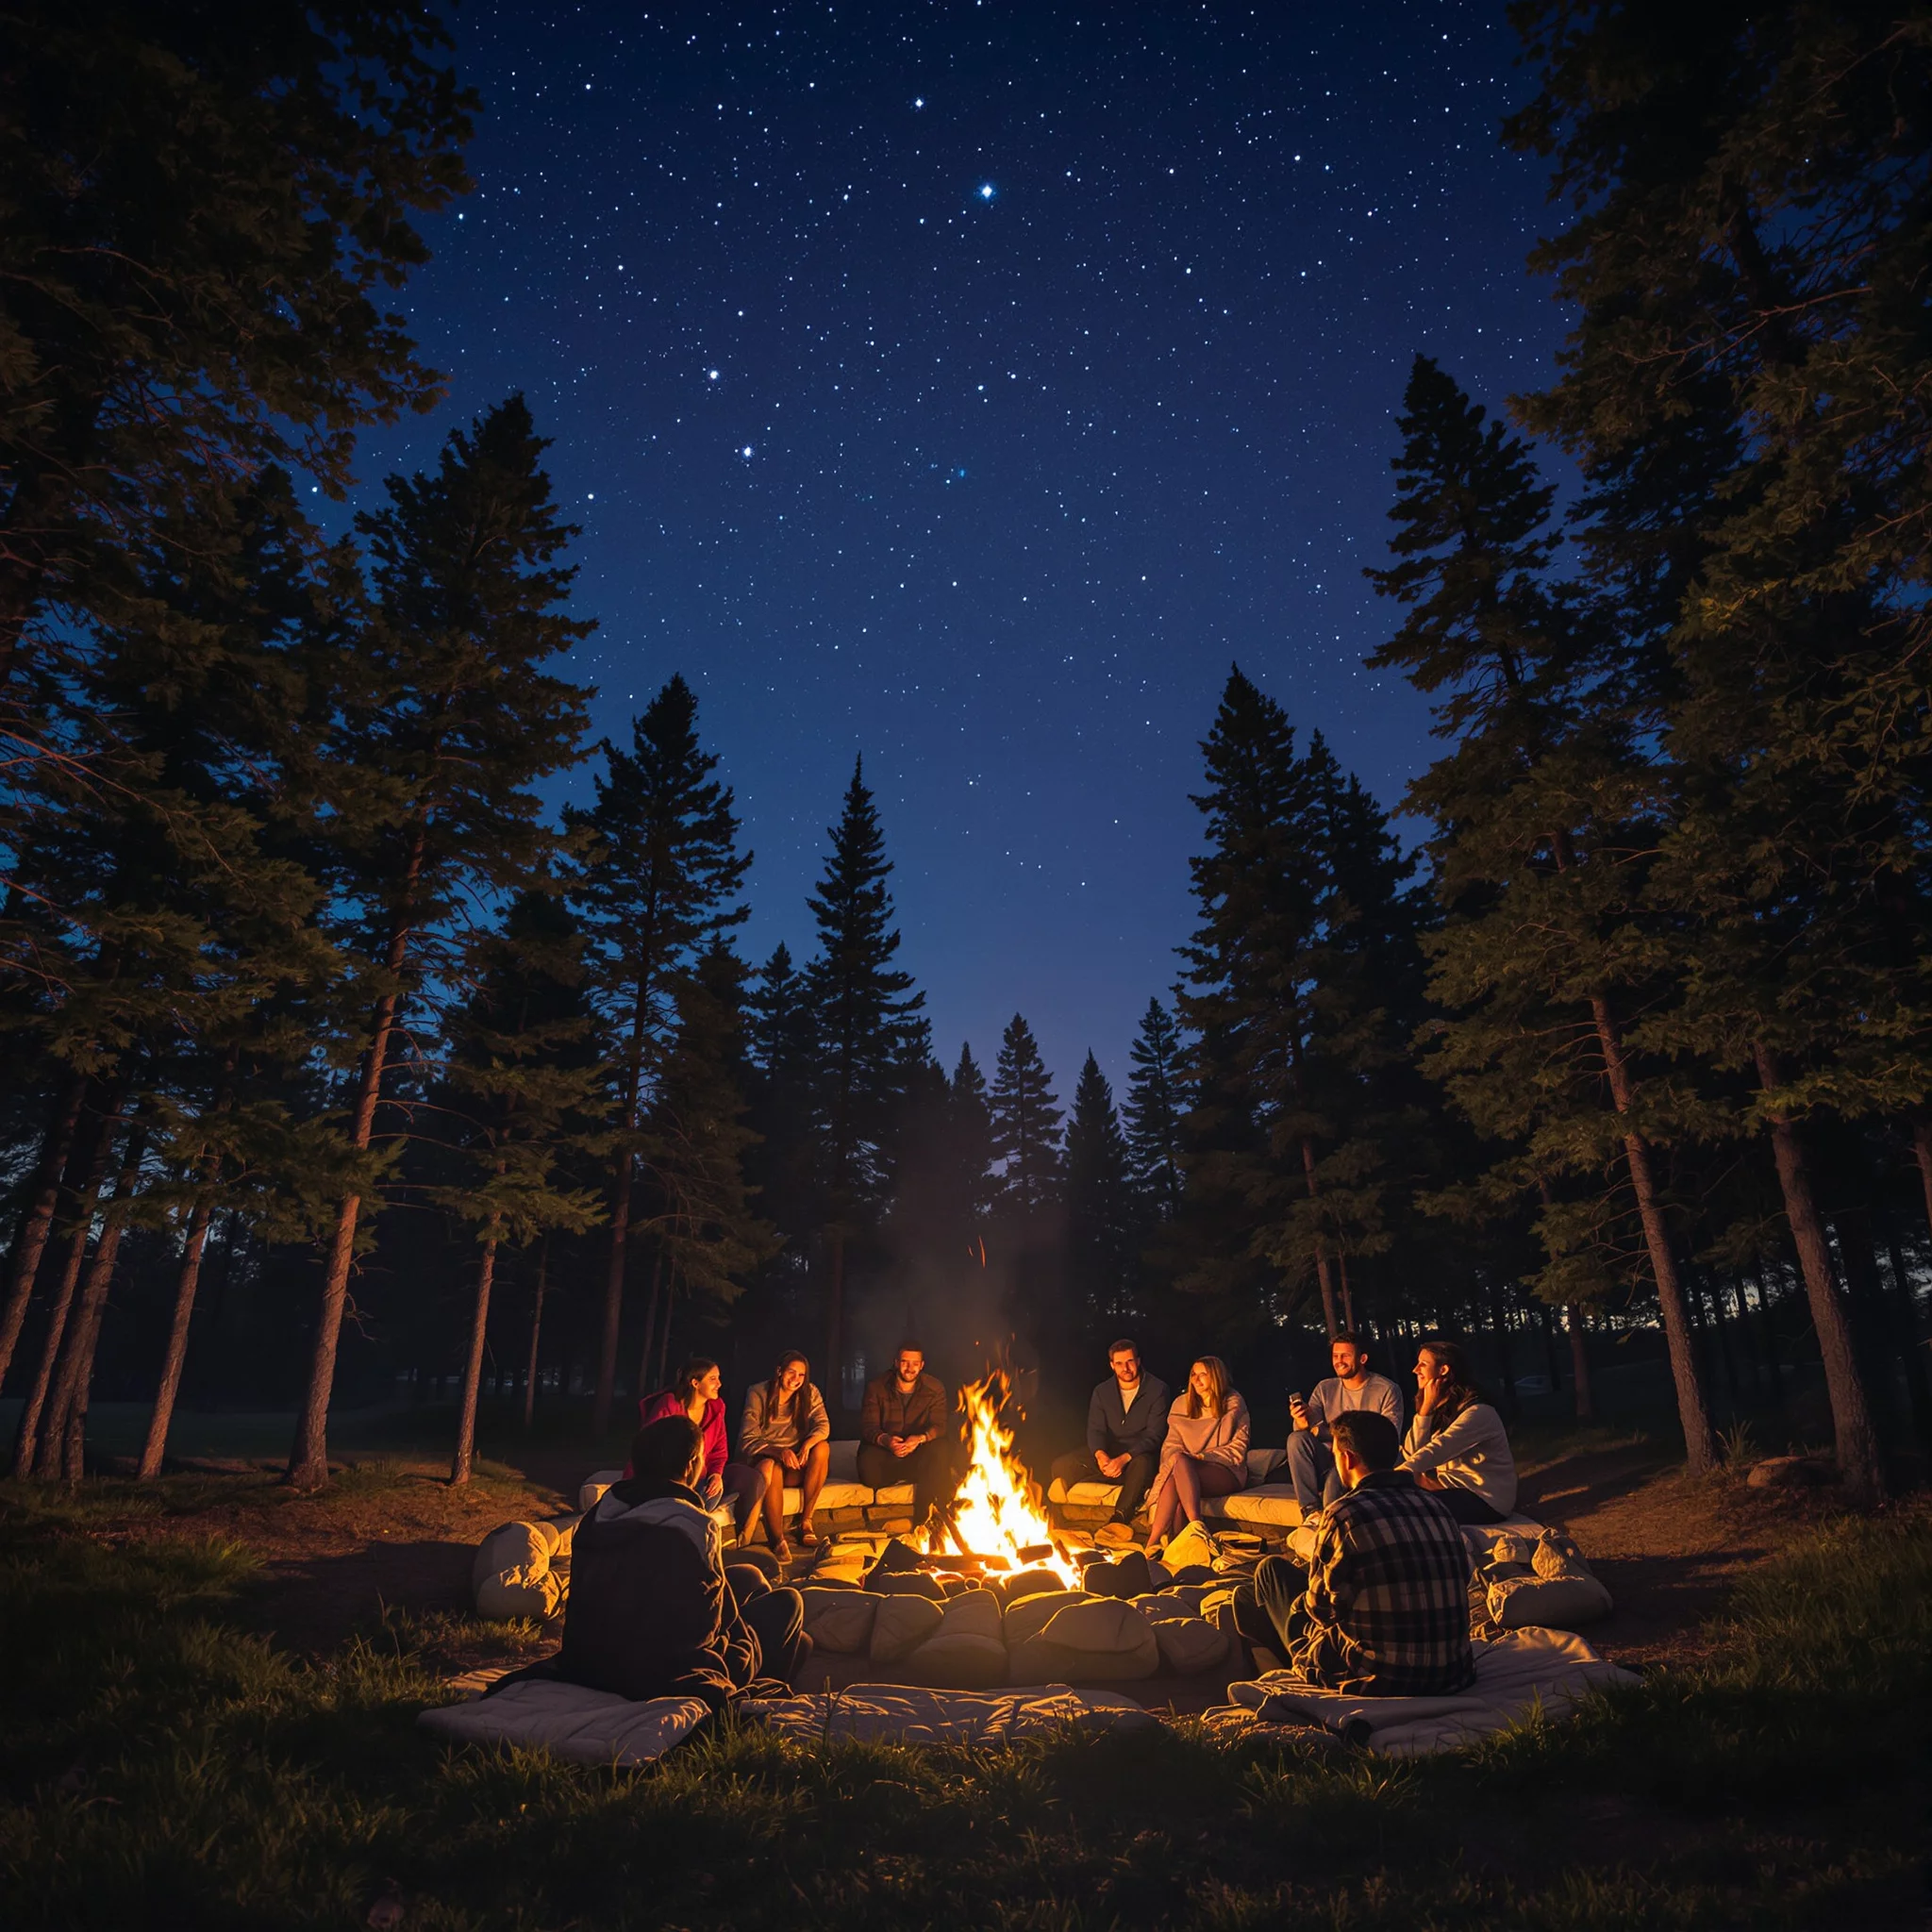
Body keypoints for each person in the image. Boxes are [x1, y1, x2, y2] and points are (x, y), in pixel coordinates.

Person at [548, 1414, 810, 1707]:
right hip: (660, 1671)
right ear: (691, 1464)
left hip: (593, 1657)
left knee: (749, 1576)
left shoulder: (599, 1515)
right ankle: (749, 1704)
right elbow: (706, 1627)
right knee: (790, 1604)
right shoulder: (692, 1526)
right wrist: (741, 1645)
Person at [1239, 1408, 1474, 1696]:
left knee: (1268, 1575)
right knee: (1252, 1596)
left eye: (1334, 1455)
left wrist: (1305, 1600)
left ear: (1348, 1459)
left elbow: (1320, 1610)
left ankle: (1288, 1668)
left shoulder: (1344, 1514)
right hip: (1451, 1670)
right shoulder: (1438, 1508)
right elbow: (1463, 1577)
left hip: (1378, 1675)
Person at [1051, 1339, 1171, 1545]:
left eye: (1130, 1362)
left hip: (1138, 1454)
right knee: (1061, 1465)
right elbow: (1095, 1430)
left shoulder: (1157, 1389)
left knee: (1142, 1465)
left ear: (1138, 1361)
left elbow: (1154, 1435)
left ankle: (1119, 1519)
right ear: (1112, 1365)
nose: (1126, 1368)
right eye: (1120, 1363)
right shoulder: (1102, 1392)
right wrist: (1100, 1455)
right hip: (1111, 1451)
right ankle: (1060, 1518)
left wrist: (1123, 1460)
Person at [638, 1356, 762, 1542]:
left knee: (714, 1491)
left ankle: (689, 1532)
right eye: (712, 1379)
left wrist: (716, 1474)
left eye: (719, 1378)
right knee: (676, 1499)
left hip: (698, 1478)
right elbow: (649, 1446)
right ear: (695, 1383)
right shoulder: (670, 1405)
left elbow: (719, 1450)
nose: (719, 1384)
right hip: (666, 1478)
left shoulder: (716, 1408)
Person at [1285, 1333, 1406, 1517]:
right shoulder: (1325, 1388)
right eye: (1335, 1356)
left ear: (1362, 1359)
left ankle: (1332, 1521)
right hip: (1328, 1457)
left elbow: (1388, 1436)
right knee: (1296, 1438)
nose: (1339, 1361)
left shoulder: (1386, 1390)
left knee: (1335, 1481)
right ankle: (1310, 1510)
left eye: (1345, 1356)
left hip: (1361, 1462)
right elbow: (1308, 1431)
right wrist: (1302, 1422)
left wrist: (1322, 1432)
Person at [1399, 1338, 1518, 1524]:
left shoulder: (1479, 1412)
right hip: (1450, 1488)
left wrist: (1396, 1476)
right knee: (1400, 1498)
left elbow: (1440, 1449)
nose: (1415, 1370)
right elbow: (1411, 1454)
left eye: (1423, 1364)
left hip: (1484, 1498)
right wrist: (1425, 1411)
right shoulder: (1439, 1409)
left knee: (1410, 1510)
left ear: (1444, 1370)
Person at [1146, 1355, 1250, 1550]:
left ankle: (1195, 1528)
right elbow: (1171, 1445)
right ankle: (1162, 1545)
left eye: (1203, 1374)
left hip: (1224, 1471)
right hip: (1184, 1468)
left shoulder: (1233, 1403)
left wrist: (1202, 1457)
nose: (1196, 1379)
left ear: (1216, 1376)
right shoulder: (1181, 1405)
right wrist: (1186, 1459)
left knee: (1181, 1464)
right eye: (1193, 1374)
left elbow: (1237, 1450)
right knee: (1179, 1469)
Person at [739, 1350, 832, 1559]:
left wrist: (807, 1445)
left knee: (822, 1448)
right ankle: (777, 1538)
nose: (796, 1379)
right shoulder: (758, 1393)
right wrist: (779, 1452)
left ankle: (806, 1522)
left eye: (801, 1374)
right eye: (791, 1372)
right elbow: (747, 1438)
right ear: (780, 1371)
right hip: (767, 1460)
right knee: (772, 1467)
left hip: (796, 1462)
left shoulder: (810, 1392)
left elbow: (823, 1425)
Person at [857, 1343, 954, 1522]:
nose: (910, 1368)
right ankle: (910, 1472)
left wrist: (920, 1438)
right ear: (896, 1363)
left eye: (915, 1363)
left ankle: (927, 1518)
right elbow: (868, 1426)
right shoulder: (876, 1387)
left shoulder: (934, 1388)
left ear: (922, 1365)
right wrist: (886, 1440)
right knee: (868, 1470)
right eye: (904, 1362)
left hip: (918, 1448)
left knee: (941, 1449)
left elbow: (940, 1425)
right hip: (886, 1448)